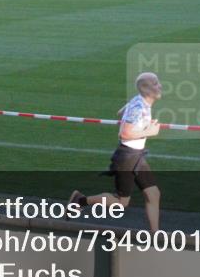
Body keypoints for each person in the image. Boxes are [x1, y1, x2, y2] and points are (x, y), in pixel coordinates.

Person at [70, 72, 163, 231]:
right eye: (155, 83)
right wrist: (149, 132)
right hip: (127, 157)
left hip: (137, 155)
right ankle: (80, 201)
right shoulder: (139, 107)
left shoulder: (139, 102)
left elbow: (120, 113)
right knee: (121, 202)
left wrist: (142, 126)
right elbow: (124, 134)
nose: (159, 86)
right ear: (144, 88)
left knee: (153, 193)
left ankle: (155, 236)